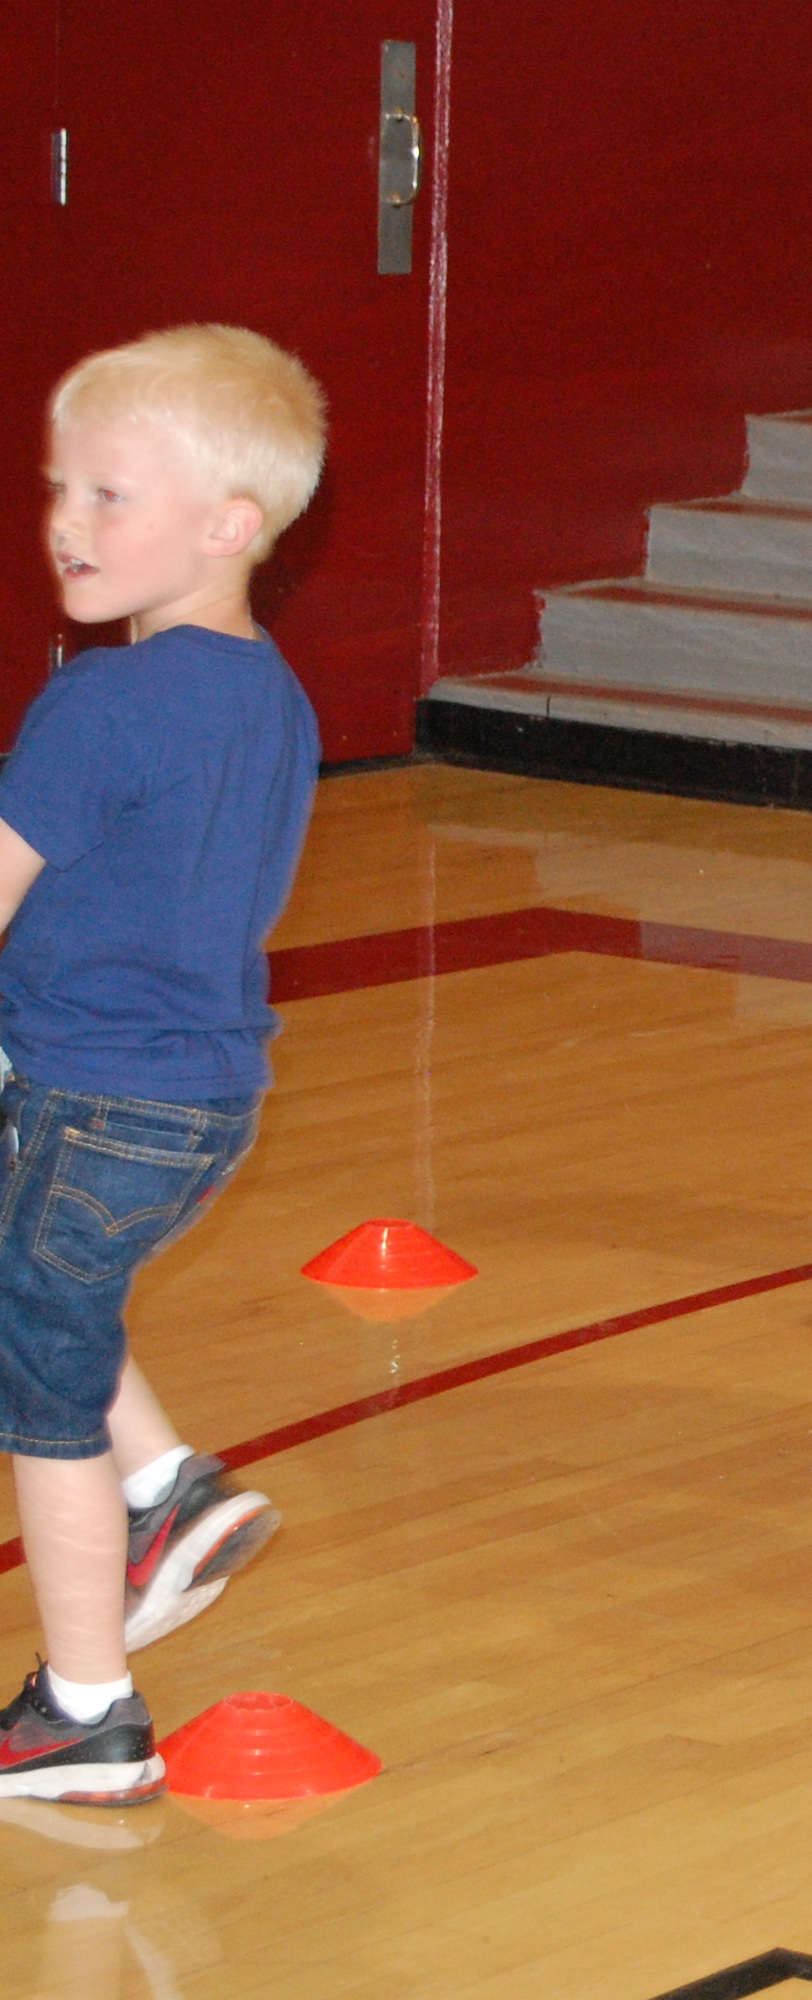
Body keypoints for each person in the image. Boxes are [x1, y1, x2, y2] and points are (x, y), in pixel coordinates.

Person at [0, 326, 324, 1805]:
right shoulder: (271, 696)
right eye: (59, 487)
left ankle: (86, 1710)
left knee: (35, 1382)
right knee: (38, 1290)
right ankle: (170, 1490)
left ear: (228, 525)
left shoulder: (99, 704)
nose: (67, 521)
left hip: (85, 1096)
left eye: (109, 495)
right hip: (199, 1103)